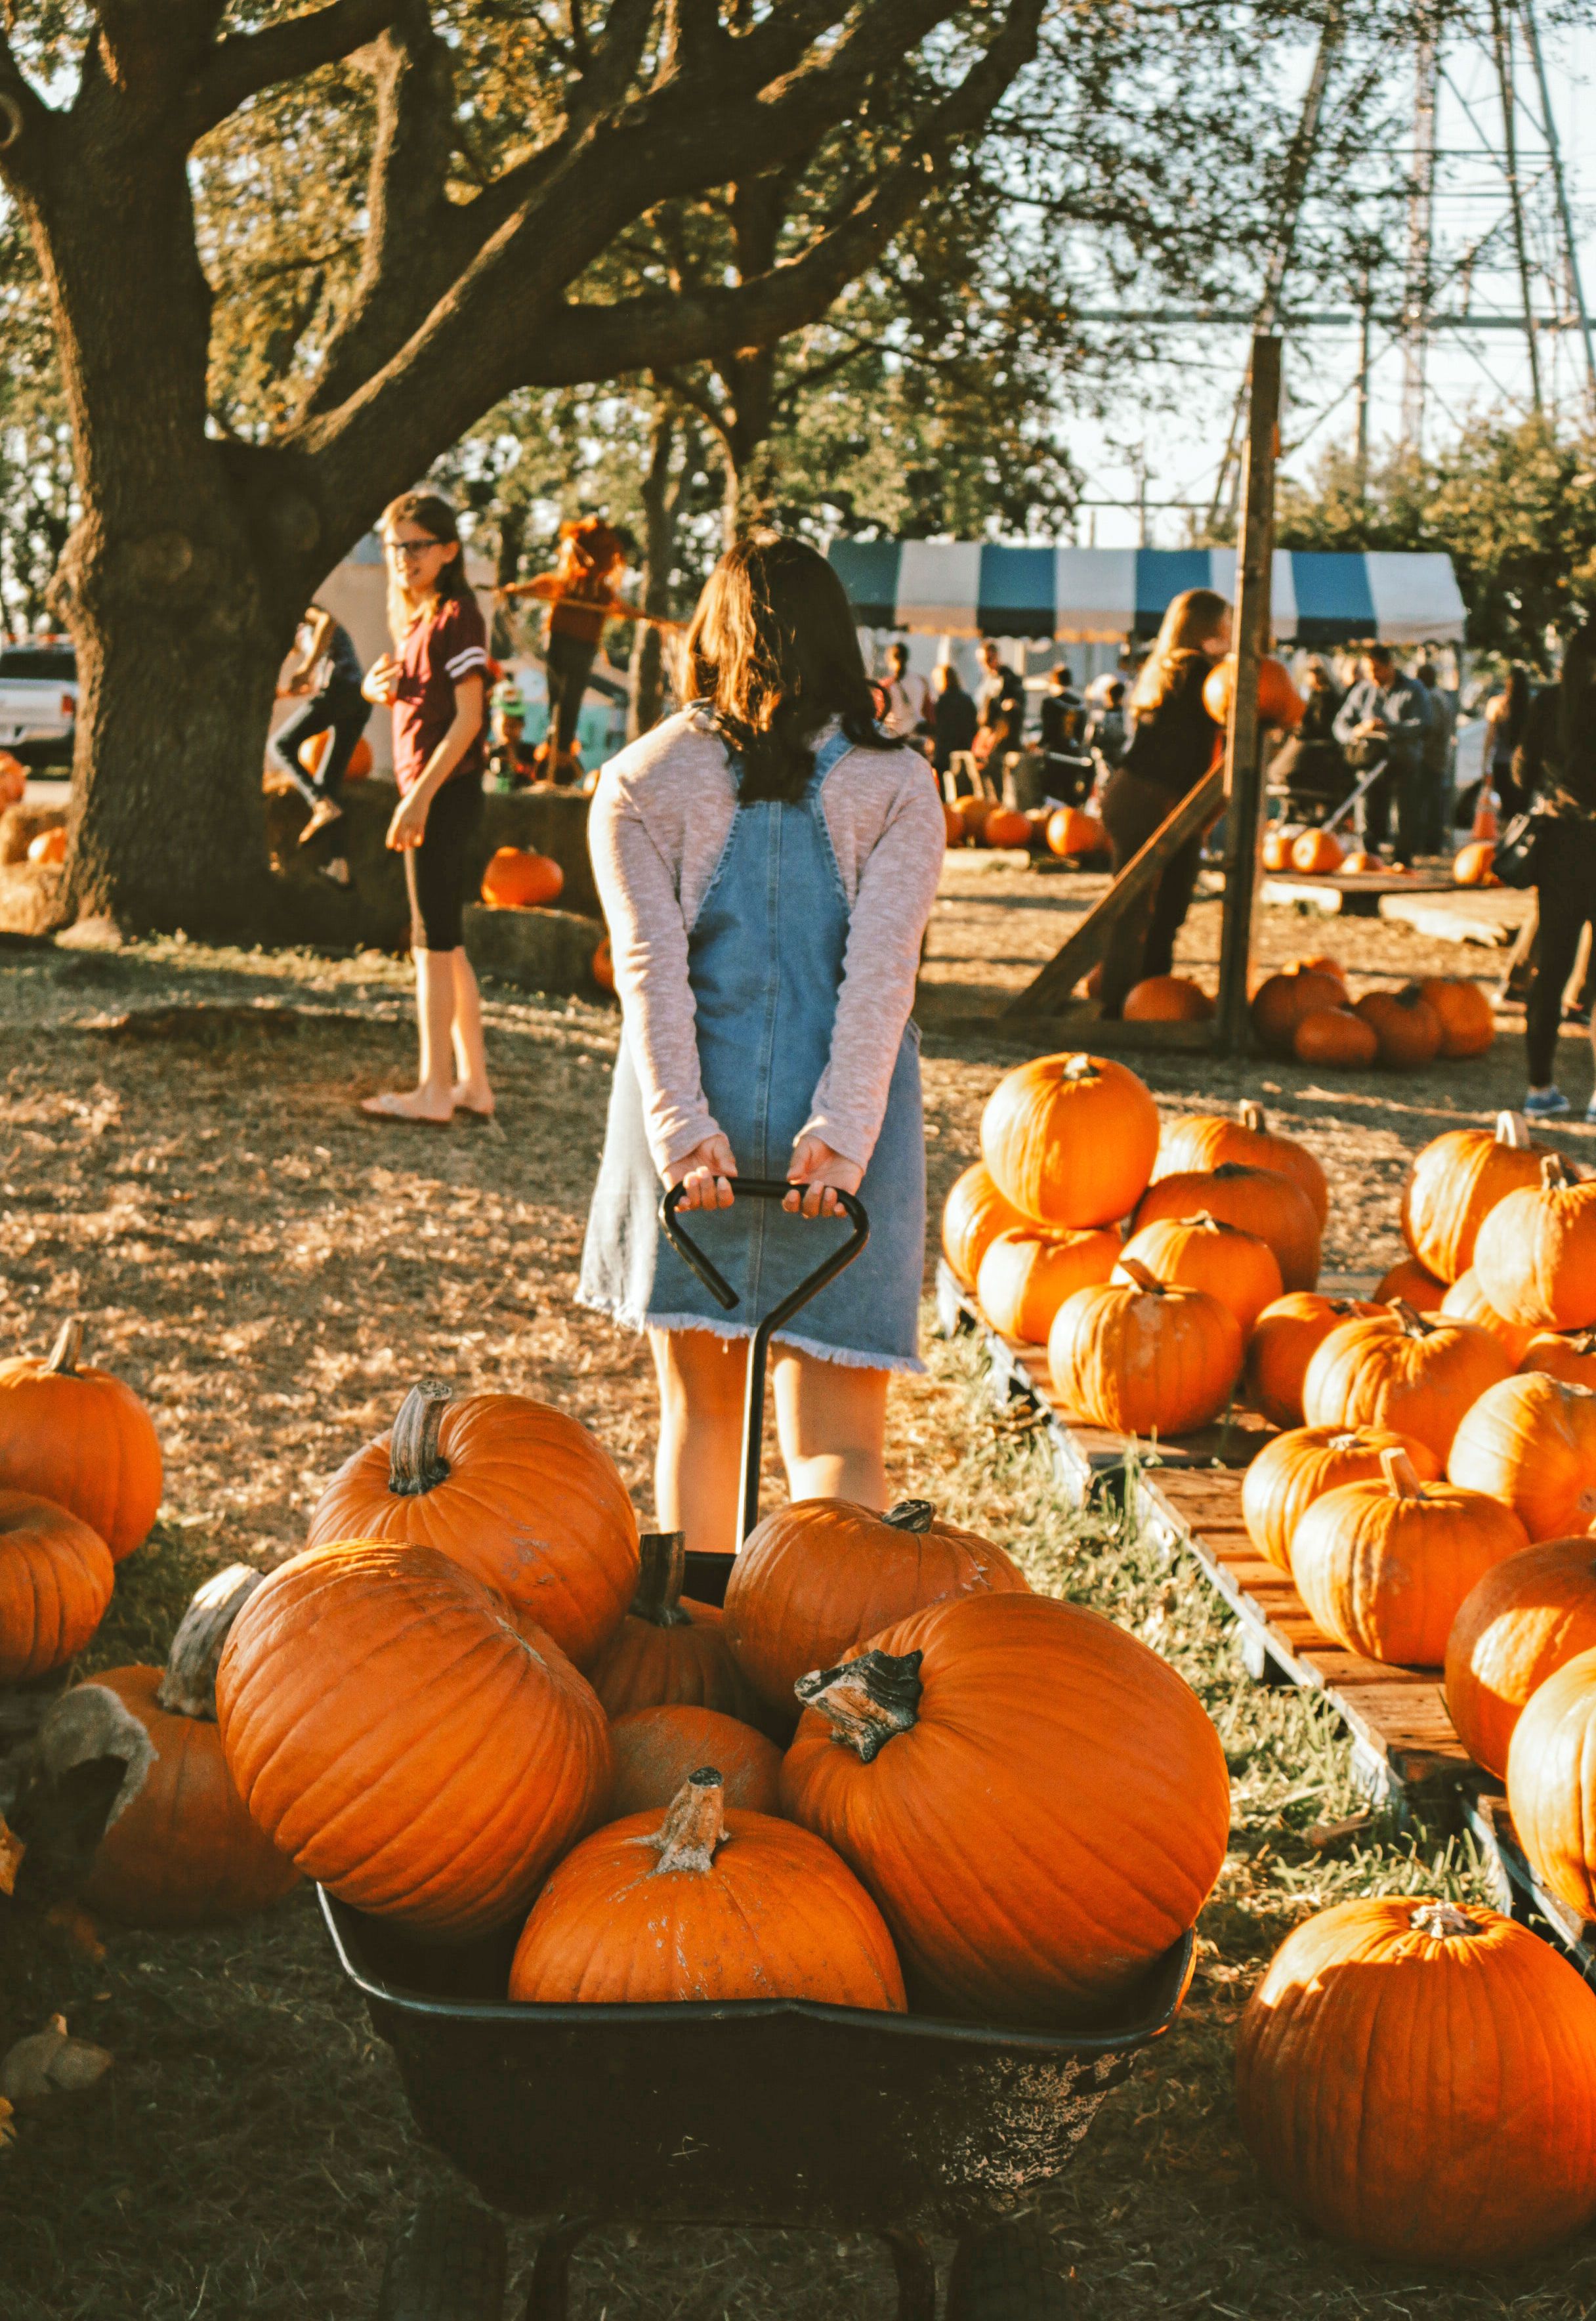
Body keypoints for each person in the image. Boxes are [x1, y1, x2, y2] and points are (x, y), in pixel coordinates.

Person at [579, 534, 944, 1552]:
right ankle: (819, 1645)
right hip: (845, 1138)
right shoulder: (899, 785)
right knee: (840, 1444)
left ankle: (698, 1644)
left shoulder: (640, 780)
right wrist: (843, 1136)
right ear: (841, 641)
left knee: (702, 1418)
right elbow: (881, 976)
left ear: (713, 636)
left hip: (698, 1130)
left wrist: (684, 1134)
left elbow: (650, 973)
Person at [359, 491, 494, 1126]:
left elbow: (468, 721)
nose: (403, 557)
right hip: (435, 791)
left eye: (416, 545)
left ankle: (432, 1091)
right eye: (395, 546)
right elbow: (425, 703)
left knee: (429, 947)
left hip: (444, 792)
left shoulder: (459, 616)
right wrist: (372, 687)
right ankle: (473, 1085)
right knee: (448, 943)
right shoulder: (419, 622)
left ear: (448, 550)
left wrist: (417, 799)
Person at [1097, 587, 1232, 1015]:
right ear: (1209, 629)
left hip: (1136, 791)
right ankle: (1132, 1002)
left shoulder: (1167, 667)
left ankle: (1133, 996)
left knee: (1144, 907)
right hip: (1153, 797)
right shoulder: (1196, 672)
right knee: (1153, 907)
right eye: (1228, 624)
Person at [1513, 622, 1596, 1118]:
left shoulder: (1548, 705)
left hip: (1561, 847)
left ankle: (1540, 1087)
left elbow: (1520, 773)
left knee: (1552, 970)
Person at [498, 517, 650, 785]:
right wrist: (516, 590)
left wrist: (645, 617)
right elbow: (544, 585)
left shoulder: (601, 594)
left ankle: (561, 755)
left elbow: (622, 609)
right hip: (559, 644)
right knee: (558, 699)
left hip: (583, 648)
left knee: (570, 703)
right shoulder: (566, 585)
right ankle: (556, 753)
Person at [270, 603, 371, 866]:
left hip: (342, 689)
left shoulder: (304, 613)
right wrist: (283, 692)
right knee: (328, 783)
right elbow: (312, 684)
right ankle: (339, 865)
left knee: (280, 745)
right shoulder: (314, 648)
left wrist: (305, 668)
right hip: (357, 699)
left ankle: (319, 804)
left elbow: (328, 621)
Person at [1332, 643, 1432, 866]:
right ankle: (1368, 856)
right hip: (1370, 760)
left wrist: (1390, 728)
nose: (1373, 676)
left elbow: (1423, 724)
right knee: (1366, 808)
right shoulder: (1364, 690)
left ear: (1390, 666)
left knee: (1403, 813)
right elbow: (1340, 723)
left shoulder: (1413, 690)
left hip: (1402, 760)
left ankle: (1402, 859)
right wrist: (1354, 732)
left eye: (1377, 670)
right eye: (1369, 671)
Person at [1415, 659, 1458, 852]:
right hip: (1439, 755)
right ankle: (1433, 841)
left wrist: (1421, 747)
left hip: (1431, 757)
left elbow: (1432, 728)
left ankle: (1431, 844)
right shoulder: (1442, 696)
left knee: (1428, 802)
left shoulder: (1431, 698)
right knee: (1434, 801)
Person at [1486, 664, 1534, 821]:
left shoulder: (1497, 705)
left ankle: (1505, 842)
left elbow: (1490, 739)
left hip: (1502, 764)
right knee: (1522, 812)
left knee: (1506, 811)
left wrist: (1484, 766)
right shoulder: (1531, 706)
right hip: (1525, 765)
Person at [975, 640, 1026, 759]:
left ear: (996, 656)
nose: (985, 665)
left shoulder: (1009, 679)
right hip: (987, 735)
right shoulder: (987, 679)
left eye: (988, 660)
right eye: (982, 662)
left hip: (1002, 737)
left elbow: (1015, 706)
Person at [486, 683, 539, 790]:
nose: (508, 730)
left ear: (522, 726)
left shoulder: (531, 751)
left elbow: (538, 777)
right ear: (494, 723)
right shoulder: (490, 751)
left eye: (514, 726)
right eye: (505, 725)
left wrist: (516, 764)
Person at [931, 661, 978, 780]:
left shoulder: (942, 701)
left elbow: (937, 727)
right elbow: (974, 726)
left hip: (944, 755)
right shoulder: (967, 699)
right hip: (965, 751)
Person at [880, 641, 931, 740]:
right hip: (916, 737)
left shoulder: (886, 685)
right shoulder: (921, 681)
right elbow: (928, 711)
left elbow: (879, 715)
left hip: (893, 737)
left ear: (890, 660)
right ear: (907, 659)